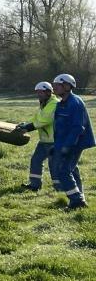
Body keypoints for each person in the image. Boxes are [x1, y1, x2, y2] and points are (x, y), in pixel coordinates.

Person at [49, 73, 92, 209]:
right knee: (72, 170)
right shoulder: (61, 104)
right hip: (65, 142)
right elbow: (60, 129)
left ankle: (76, 201)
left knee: (63, 171)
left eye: (57, 85)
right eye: (54, 85)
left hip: (75, 143)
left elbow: (78, 128)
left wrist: (67, 146)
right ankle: (80, 198)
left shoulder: (75, 103)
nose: (54, 88)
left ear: (67, 86)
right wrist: (56, 146)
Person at [16, 81, 57, 190]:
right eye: (38, 92)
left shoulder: (54, 103)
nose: (39, 94)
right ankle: (35, 185)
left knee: (54, 166)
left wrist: (28, 127)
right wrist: (25, 124)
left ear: (48, 92)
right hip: (44, 140)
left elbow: (44, 120)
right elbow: (36, 118)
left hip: (54, 141)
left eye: (41, 92)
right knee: (35, 160)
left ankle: (60, 188)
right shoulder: (44, 103)